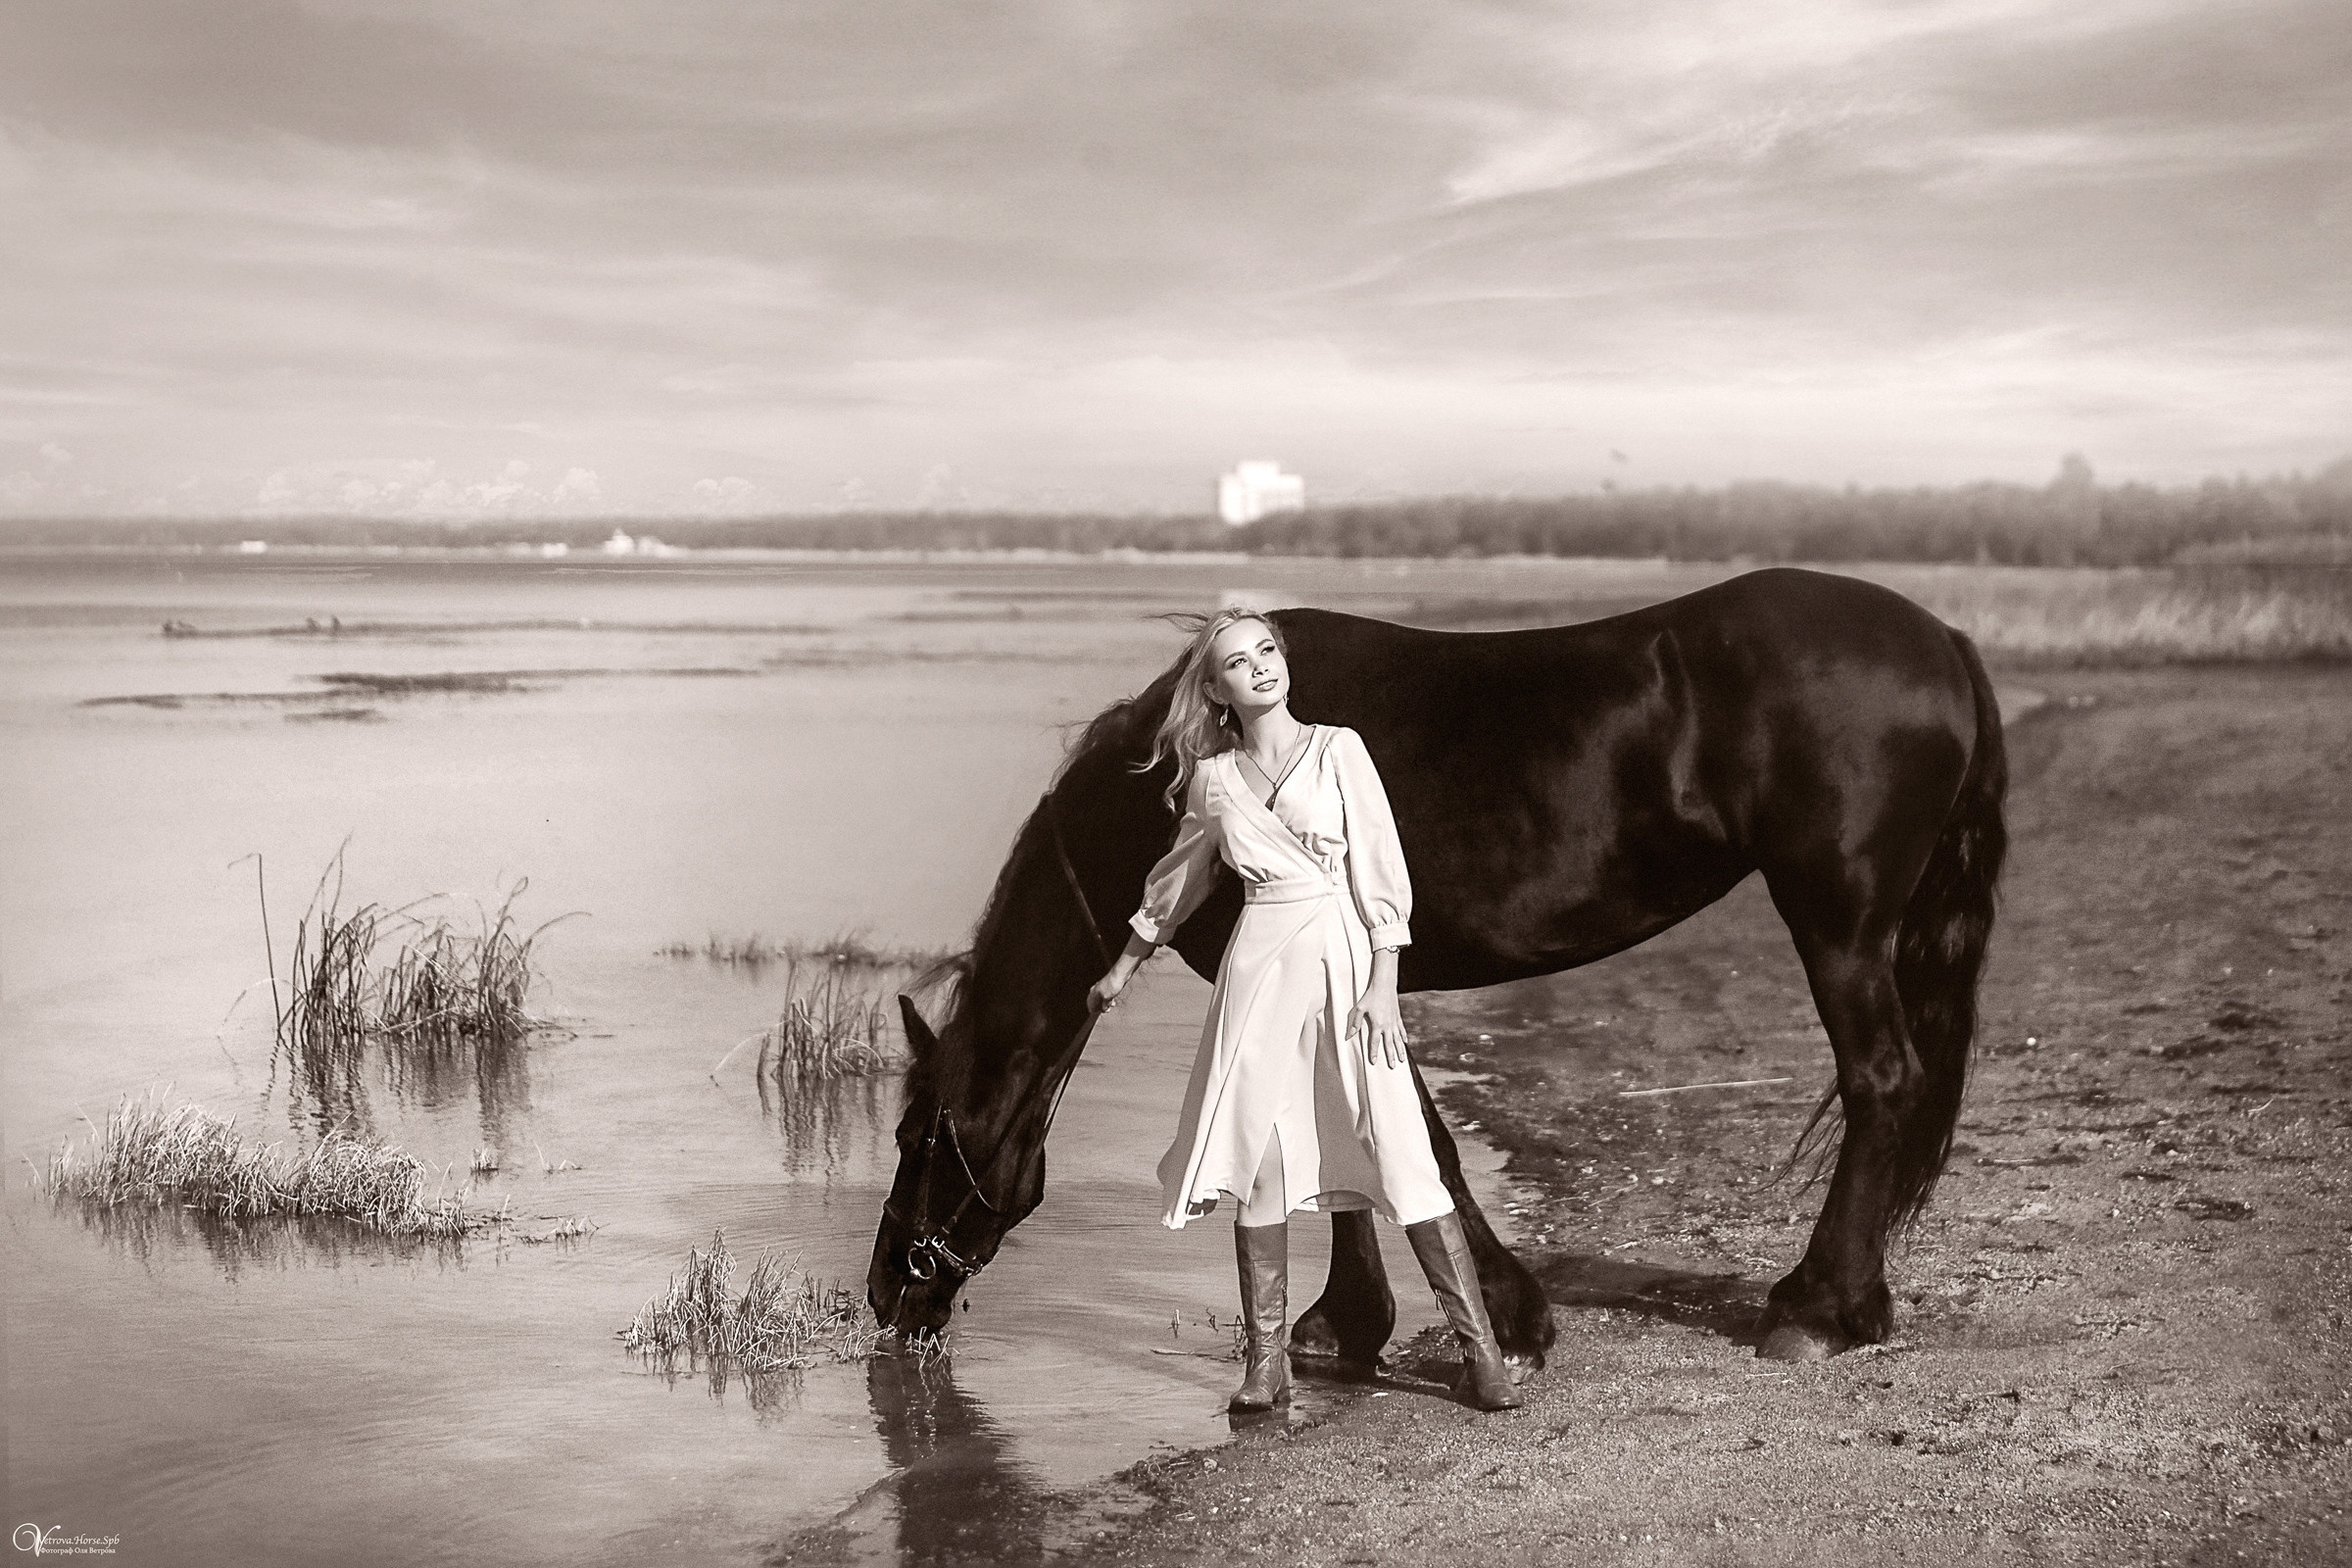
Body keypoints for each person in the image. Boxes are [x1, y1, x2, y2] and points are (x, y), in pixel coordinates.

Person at [1088, 608, 1521, 1413]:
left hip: (1349, 964)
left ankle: (1482, 1354)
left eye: (1266, 652)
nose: (1259, 668)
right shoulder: (1213, 781)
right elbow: (1177, 885)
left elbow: (1380, 866)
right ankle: (1266, 1365)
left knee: (1399, 1149)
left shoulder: (1339, 749)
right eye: (1236, 663)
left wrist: (1384, 982)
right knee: (1261, 1162)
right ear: (1214, 690)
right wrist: (1122, 969)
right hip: (1258, 980)